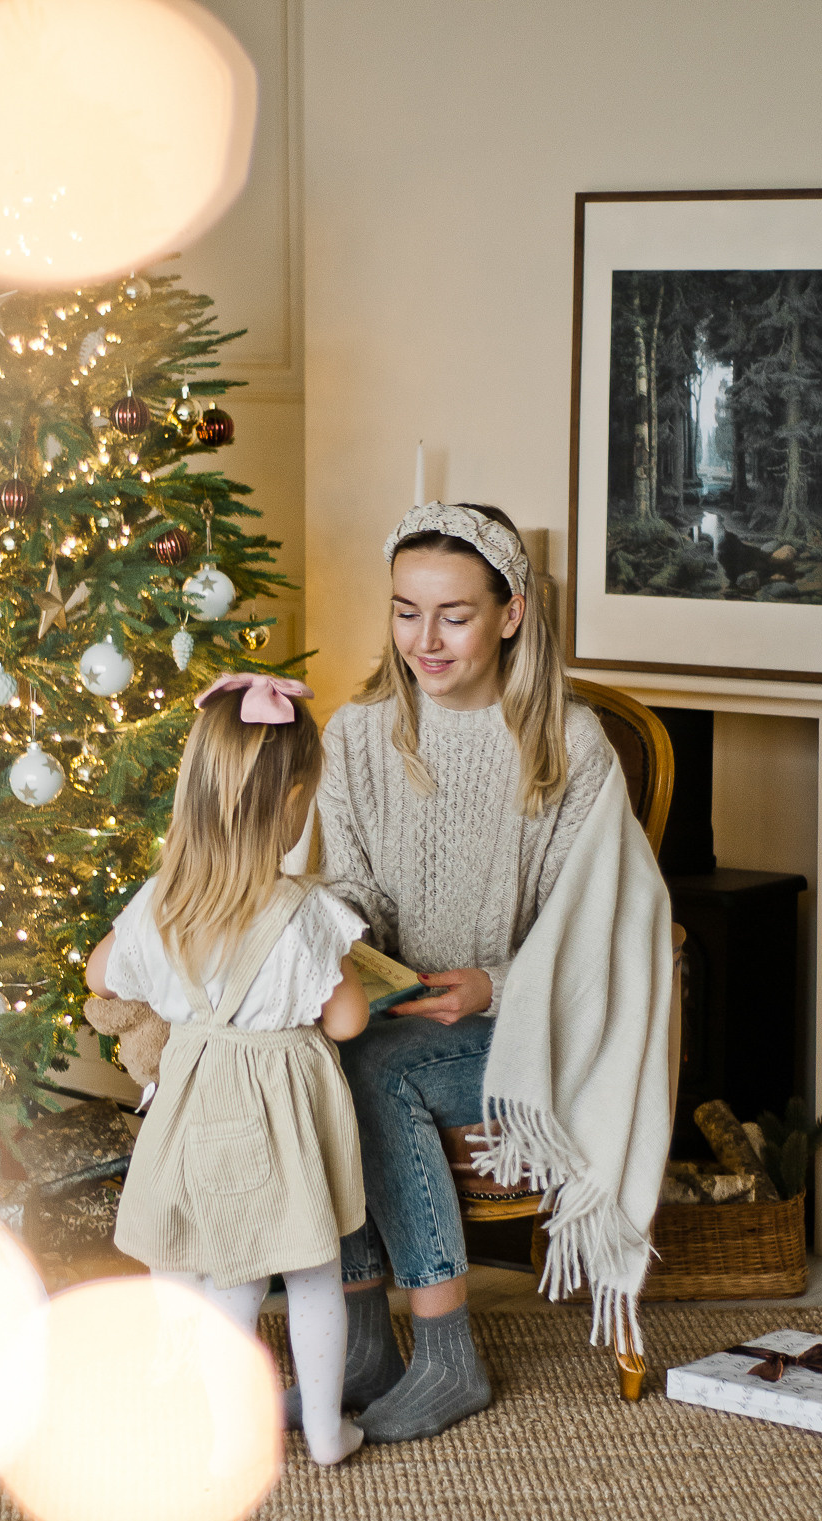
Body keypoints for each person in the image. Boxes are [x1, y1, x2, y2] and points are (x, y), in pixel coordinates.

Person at [311, 502, 622, 1446]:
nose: (426, 640)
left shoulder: (574, 748)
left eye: (454, 614)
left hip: (530, 1024)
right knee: (317, 1054)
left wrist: (493, 983)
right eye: (407, 611)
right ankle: (363, 1342)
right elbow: (346, 883)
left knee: (373, 1067)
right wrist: (353, 956)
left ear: (512, 614)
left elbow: (597, 933)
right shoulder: (358, 735)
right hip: (398, 1006)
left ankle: (445, 1354)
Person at [86, 671, 372, 1466]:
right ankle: (322, 1430)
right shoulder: (305, 912)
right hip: (280, 1116)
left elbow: (99, 977)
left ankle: (218, 1431)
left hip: (193, 1108)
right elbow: (345, 1019)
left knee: (212, 1266)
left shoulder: (159, 906)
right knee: (311, 1269)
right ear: (292, 805)